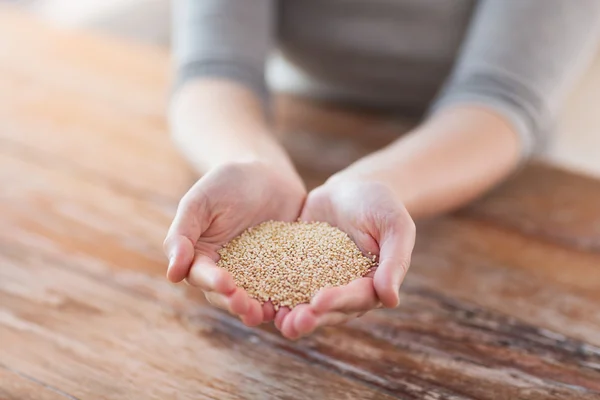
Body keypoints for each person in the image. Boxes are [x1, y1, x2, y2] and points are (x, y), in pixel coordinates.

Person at [163, 0, 600, 340]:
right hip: (296, 126)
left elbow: (503, 96)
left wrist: (379, 184)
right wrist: (248, 159)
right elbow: (214, 68)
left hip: (478, 159)